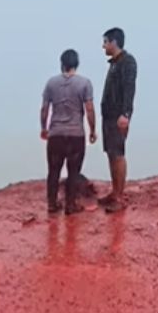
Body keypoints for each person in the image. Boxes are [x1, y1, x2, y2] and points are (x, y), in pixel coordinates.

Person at [41, 48, 96, 215]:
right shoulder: (85, 83)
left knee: (53, 171)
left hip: (56, 134)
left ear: (62, 64)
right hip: (75, 134)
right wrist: (92, 130)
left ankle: (52, 203)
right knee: (73, 172)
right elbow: (89, 109)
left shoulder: (51, 83)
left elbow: (44, 109)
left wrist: (44, 128)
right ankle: (70, 205)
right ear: (76, 64)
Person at [99, 27, 137, 213]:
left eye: (105, 42)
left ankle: (119, 198)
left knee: (118, 154)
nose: (103, 46)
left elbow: (129, 89)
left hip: (118, 117)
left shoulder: (127, 62)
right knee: (111, 153)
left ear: (114, 42)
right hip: (108, 117)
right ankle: (114, 192)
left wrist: (126, 114)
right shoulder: (114, 63)